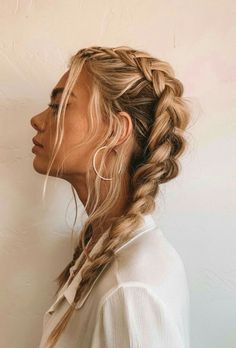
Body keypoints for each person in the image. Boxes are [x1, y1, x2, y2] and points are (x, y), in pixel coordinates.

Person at [30, 45, 191, 348]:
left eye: (59, 107)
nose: (37, 120)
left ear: (116, 131)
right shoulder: (103, 250)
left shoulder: (130, 290)